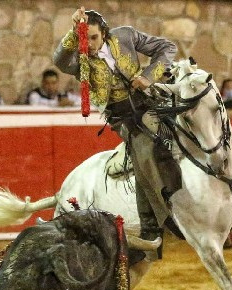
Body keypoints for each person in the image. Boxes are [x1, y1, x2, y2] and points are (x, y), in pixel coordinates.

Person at [53, 7, 177, 255]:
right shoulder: (81, 61)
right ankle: (151, 227)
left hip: (151, 100)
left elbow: (168, 48)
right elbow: (59, 61)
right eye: (83, 39)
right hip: (123, 117)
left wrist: (149, 75)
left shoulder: (125, 36)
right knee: (144, 150)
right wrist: (72, 32)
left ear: (105, 33)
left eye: (93, 38)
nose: (87, 44)